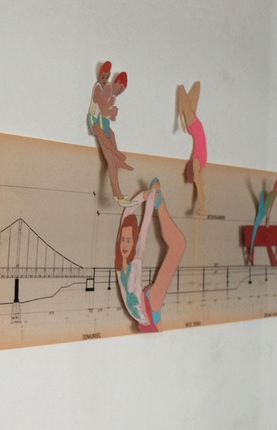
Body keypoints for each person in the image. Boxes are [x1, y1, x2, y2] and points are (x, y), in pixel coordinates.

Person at [115, 178, 186, 332]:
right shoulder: (119, 262)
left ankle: (158, 201)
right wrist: (146, 195)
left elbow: (144, 225)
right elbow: (126, 216)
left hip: (147, 310)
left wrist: (147, 196)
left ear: (134, 243)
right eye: (123, 240)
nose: (125, 244)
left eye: (129, 240)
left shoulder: (135, 260)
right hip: (148, 308)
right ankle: (158, 200)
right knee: (179, 245)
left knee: (179, 245)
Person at [87, 62, 133, 204]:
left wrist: (113, 113)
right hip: (95, 120)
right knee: (111, 160)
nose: (120, 92)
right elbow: (102, 110)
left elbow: (108, 115)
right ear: (116, 82)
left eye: (122, 91)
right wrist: (111, 111)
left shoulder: (112, 95)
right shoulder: (106, 88)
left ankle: (116, 191)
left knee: (111, 136)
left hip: (103, 122)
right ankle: (118, 194)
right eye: (120, 88)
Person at [178, 82, 207, 215]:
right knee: (190, 92)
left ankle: (203, 208)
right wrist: (181, 116)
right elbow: (200, 187)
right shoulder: (195, 162)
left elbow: (200, 186)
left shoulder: (197, 163)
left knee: (193, 88)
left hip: (195, 126)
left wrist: (181, 116)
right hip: (193, 125)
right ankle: (203, 208)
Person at [249, 178, 277, 264]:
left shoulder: (275, 193)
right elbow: (266, 201)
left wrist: (268, 218)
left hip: (265, 210)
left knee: (256, 228)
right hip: (262, 209)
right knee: (255, 228)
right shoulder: (270, 193)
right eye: (276, 183)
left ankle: (251, 253)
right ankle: (251, 254)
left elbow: (271, 205)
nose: (276, 185)